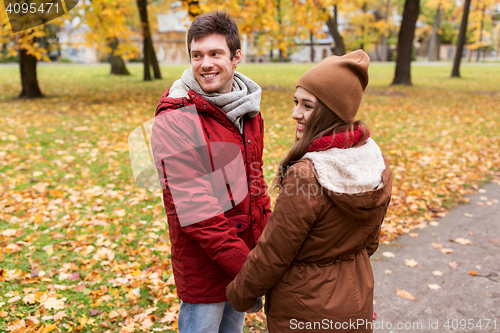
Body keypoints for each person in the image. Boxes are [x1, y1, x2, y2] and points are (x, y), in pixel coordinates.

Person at [226, 50, 393, 332]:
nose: (295, 113)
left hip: (304, 307)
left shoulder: (306, 174)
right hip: (355, 297)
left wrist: (239, 293)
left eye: (307, 105)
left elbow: (274, 253)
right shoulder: (373, 162)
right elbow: (371, 241)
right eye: (296, 102)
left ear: (331, 112)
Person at [150, 11, 271, 333]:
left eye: (215, 53)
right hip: (207, 263)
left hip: (243, 257)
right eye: (197, 55)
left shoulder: (247, 110)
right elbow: (195, 207)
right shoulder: (176, 117)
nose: (205, 64)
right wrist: (248, 267)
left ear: (236, 58)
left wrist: (266, 246)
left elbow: (255, 184)